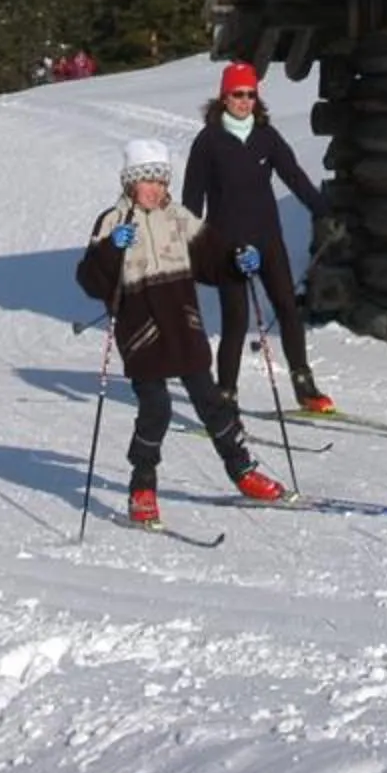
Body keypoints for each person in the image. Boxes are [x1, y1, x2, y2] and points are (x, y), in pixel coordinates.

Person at [75, 136, 289, 526]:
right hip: (142, 334)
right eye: (147, 180)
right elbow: (90, 280)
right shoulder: (112, 222)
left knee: (212, 403)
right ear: (129, 182)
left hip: (183, 326)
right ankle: (142, 487)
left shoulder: (179, 218)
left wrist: (238, 258)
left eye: (160, 180)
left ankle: (243, 472)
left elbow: (213, 257)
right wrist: (110, 249)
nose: (155, 189)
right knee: (157, 409)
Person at [183, 60, 334, 414]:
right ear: (224, 97)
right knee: (235, 321)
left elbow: (294, 176)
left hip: (268, 239)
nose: (245, 101)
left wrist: (323, 209)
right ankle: (225, 396)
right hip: (226, 246)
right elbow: (192, 198)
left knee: (287, 308)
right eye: (238, 94)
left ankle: (303, 384)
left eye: (251, 94)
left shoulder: (266, 136)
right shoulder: (208, 141)